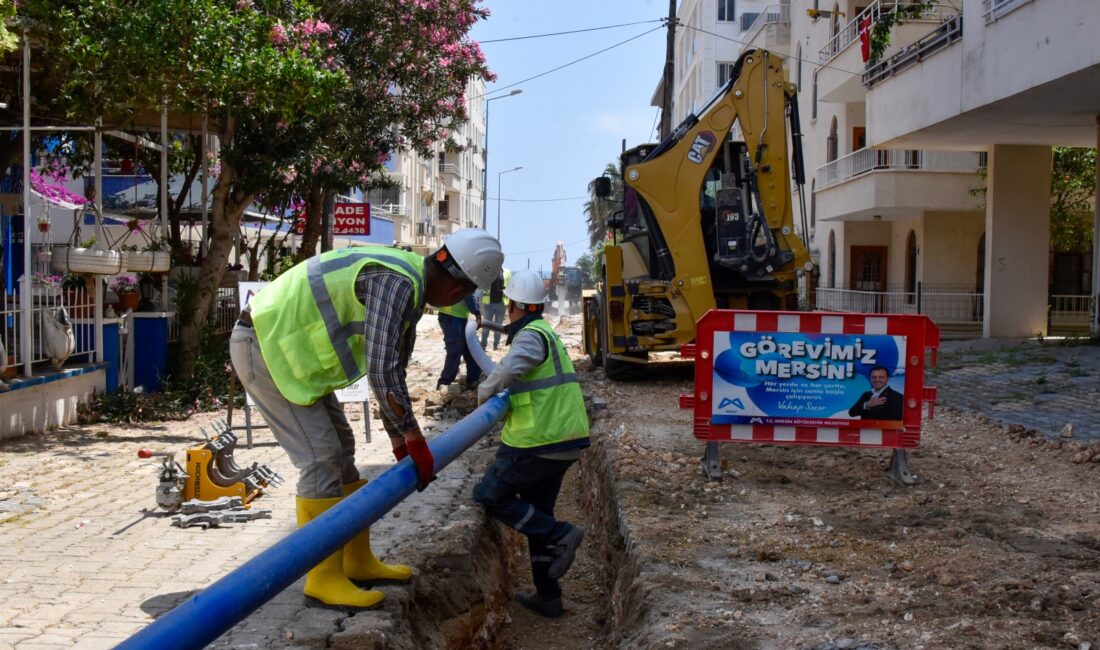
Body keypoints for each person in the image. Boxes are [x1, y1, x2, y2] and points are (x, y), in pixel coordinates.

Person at [230, 229, 503, 611]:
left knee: (343, 452)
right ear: (459, 291)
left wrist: (398, 438)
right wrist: (412, 437)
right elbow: (382, 370)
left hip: (291, 356)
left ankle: (356, 561)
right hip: (264, 347)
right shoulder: (397, 283)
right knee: (320, 458)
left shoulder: (410, 280)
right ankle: (322, 577)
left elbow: (396, 370)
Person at [472, 269, 590, 619]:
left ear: (519, 306)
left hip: (539, 441)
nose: (507, 311)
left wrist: (483, 395)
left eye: (510, 305)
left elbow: (509, 371)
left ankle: (563, 534)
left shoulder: (531, 336)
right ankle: (549, 596)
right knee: (536, 512)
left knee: (490, 495)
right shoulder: (543, 332)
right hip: (561, 439)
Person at [436, 289, 483, 390]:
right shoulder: (465, 275)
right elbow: (468, 293)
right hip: (453, 316)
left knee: (469, 348)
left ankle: (473, 379)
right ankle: (445, 382)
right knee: (455, 350)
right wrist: (477, 313)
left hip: (456, 316)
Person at [479, 268, 510, 350]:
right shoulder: (488, 269)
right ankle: (483, 345)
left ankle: (496, 346)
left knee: (498, 326)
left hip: (501, 303)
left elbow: (509, 286)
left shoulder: (507, 272)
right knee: (486, 325)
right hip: (489, 303)